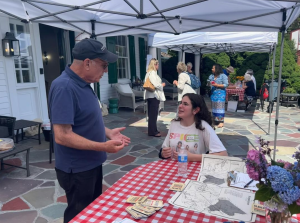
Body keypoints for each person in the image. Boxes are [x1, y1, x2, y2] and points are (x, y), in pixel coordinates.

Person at [48, 38, 131, 223]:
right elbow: (62, 136)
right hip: (77, 169)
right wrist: (102, 146)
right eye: (103, 65)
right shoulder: (64, 87)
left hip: (90, 164)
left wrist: (107, 132)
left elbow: (85, 121)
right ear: (87, 63)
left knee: (92, 214)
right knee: (79, 216)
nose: (106, 70)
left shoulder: (83, 84)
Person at [159, 93, 228, 161]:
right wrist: (163, 153)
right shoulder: (174, 124)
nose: (180, 106)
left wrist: (192, 157)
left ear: (195, 110)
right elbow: (163, 149)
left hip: (195, 170)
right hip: (172, 169)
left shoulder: (203, 126)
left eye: (185, 104)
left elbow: (223, 154)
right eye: (180, 103)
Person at [144, 58, 166, 137]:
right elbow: (156, 85)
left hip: (150, 96)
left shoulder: (148, 73)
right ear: (155, 65)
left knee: (151, 114)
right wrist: (162, 85)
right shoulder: (152, 73)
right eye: (158, 64)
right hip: (153, 95)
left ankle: (152, 130)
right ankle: (153, 132)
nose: (158, 65)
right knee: (153, 115)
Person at [208, 64, 228, 128]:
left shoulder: (223, 76)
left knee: (220, 108)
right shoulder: (211, 76)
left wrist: (217, 85)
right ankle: (215, 120)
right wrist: (209, 83)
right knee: (214, 107)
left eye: (213, 68)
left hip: (220, 94)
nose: (212, 69)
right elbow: (208, 82)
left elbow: (226, 84)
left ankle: (221, 122)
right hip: (213, 94)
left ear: (217, 69)